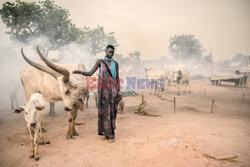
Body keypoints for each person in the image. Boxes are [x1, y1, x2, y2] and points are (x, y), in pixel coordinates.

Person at [72, 45, 121, 142]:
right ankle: (109, 135)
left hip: (113, 90)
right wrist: (79, 72)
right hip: (103, 91)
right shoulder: (100, 62)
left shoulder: (115, 64)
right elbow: (90, 73)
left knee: (112, 112)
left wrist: (119, 91)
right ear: (105, 51)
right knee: (105, 111)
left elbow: (117, 78)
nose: (111, 53)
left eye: (112, 52)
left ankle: (110, 132)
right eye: (109, 52)